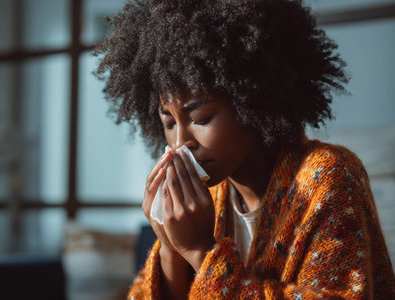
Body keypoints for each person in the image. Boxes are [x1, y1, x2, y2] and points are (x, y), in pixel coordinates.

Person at [93, 0, 395, 298]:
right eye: (169, 122)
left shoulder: (328, 177)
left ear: (253, 102)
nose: (181, 142)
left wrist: (199, 250)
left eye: (201, 118)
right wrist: (171, 246)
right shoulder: (202, 199)